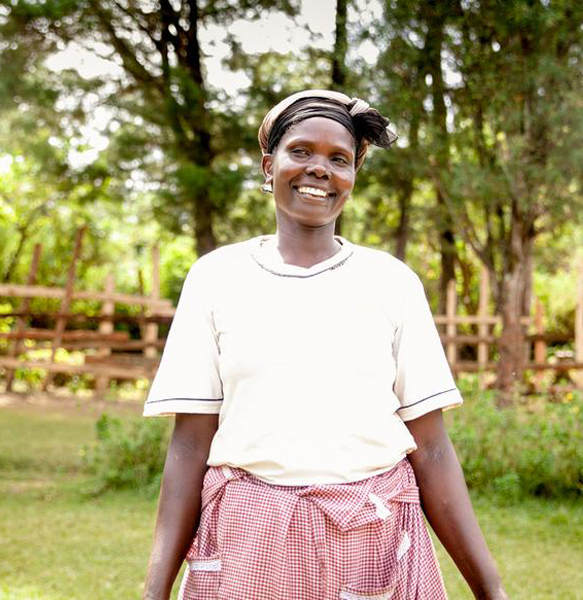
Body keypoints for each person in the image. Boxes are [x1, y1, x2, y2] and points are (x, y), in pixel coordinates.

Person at [141, 90, 508, 600]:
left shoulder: (392, 283)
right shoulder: (216, 278)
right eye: (301, 152)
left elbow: (433, 447)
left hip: (375, 544)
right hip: (249, 545)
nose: (320, 169)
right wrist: (155, 590)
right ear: (269, 167)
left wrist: (491, 590)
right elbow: (189, 443)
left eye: (339, 159)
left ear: (352, 178)